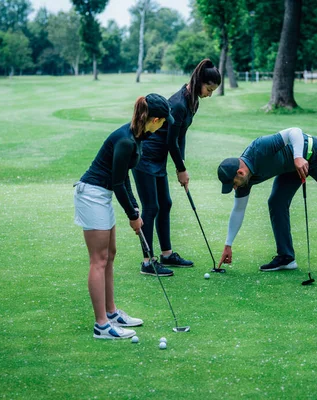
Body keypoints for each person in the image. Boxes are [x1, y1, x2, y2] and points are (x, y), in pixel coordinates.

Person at [74, 93, 174, 339]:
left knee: (110, 255)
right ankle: (101, 326)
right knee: (99, 259)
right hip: (92, 195)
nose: (163, 126)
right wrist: (132, 215)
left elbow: (124, 176)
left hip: (103, 195)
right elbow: (118, 183)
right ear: (154, 120)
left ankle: (111, 312)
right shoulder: (126, 140)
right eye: (162, 122)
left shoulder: (137, 137)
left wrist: (135, 208)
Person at [216, 127, 317, 273]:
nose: (235, 188)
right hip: (290, 169)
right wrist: (228, 245)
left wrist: (298, 156)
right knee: (276, 202)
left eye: (234, 184)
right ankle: (286, 257)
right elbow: (238, 210)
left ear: (240, 173)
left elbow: (294, 131)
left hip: (314, 154)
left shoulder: (259, 147)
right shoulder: (244, 181)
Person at [132, 59, 221, 277]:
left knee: (166, 203)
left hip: (159, 159)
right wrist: (181, 169)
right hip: (145, 158)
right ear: (200, 82)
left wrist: (182, 164)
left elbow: (181, 137)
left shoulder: (192, 102)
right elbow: (171, 141)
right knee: (151, 207)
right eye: (209, 89)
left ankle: (167, 254)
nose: (209, 94)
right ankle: (147, 261)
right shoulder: (180, 104)